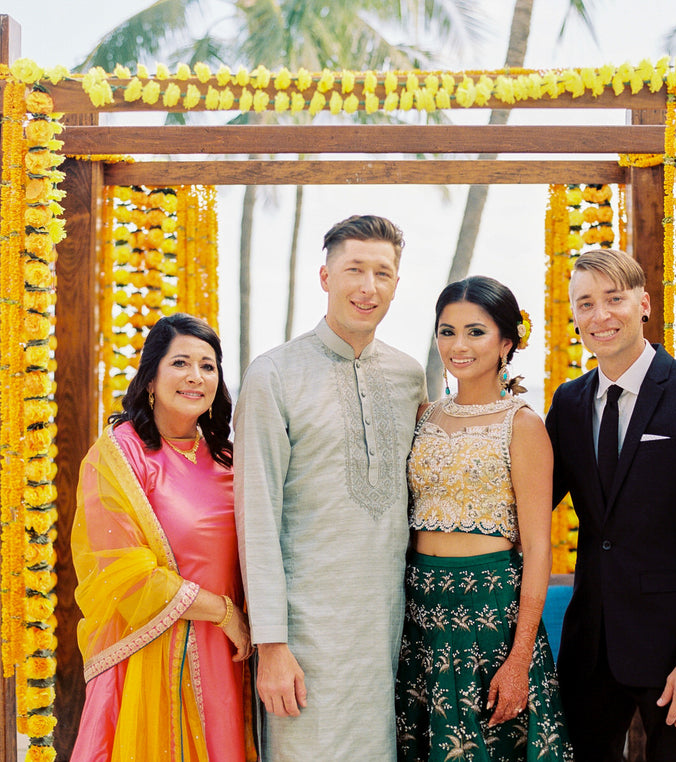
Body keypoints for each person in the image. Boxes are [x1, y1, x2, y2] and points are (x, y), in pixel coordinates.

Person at [234, 214, 427, 761]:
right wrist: (272, 644)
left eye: (382, 273)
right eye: (354, 269)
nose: (368, 287)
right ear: (325, 277)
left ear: (396, 284)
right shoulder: (274, 373)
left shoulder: (409, 376)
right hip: (305, 636)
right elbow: (257, 515)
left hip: (385, 629)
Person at [545, 248, 676, 762]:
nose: (601, 316)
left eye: (614, 299)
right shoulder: (568, 404)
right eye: (586, 303)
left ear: (644, 303)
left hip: (674, 650)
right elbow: (533, 500)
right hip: (589, 649)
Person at [396, 275, 574, 762]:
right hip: (421, 612)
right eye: (446, 331)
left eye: (475, 332)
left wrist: (519, 659)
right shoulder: (425, 416)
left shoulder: (523, 424)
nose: (458, 345)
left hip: (491, 613)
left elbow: (537, 547)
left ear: (507, 342)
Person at [71, 313, 255, 762]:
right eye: (181, 363)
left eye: (208, 366)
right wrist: (225, 614)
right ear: (151, 377)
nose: (196, 376)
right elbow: (126, 572)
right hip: (152, 655)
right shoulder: (121, 455)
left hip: (228, 660)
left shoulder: (230, 458)